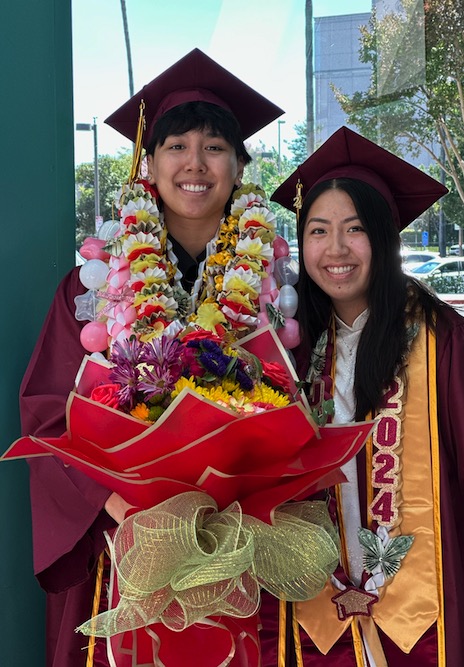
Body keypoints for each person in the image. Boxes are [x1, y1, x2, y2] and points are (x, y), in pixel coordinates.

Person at [19, 48, 284, 667]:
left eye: (216, 146)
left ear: (240, 168)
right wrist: (122, 508)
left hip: (237, 543)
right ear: (148, 164)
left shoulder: (276, 288)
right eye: (176, 145)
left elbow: (300, 404)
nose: (196, 163)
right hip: (122, 541)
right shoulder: (92, 288)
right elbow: (48, 416)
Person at [259, 126, 464, 666]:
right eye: (318, 231)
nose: (335, 249)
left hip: (432, 623)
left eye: (356, 229)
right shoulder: (290, 355)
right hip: (317, 628)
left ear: (387, 237)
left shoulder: (453, 349)